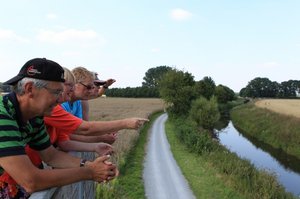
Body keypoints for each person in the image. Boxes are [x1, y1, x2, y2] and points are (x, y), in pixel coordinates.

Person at [0, 58, 117, 198]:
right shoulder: (3, 116)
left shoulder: (34, 116)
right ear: (29, 89)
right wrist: (90, 172)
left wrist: (89, 165)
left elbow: (51, 156)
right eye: (56, 92)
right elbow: (30, 181)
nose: (61, 100)